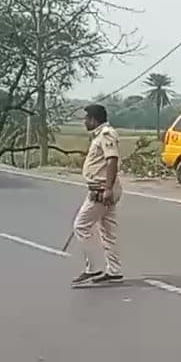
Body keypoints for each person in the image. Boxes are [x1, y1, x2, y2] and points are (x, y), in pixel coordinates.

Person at [71, 104, 123, 285]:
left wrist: (107, 188)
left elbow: (112, 160)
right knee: (107, 231)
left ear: (93, 119)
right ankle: (114, 270)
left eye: (86, 118)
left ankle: (92, 268)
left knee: (81, 226)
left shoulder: (106, 134)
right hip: (101, 188)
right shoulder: (100, 135)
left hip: (102, 189)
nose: (84, 122)